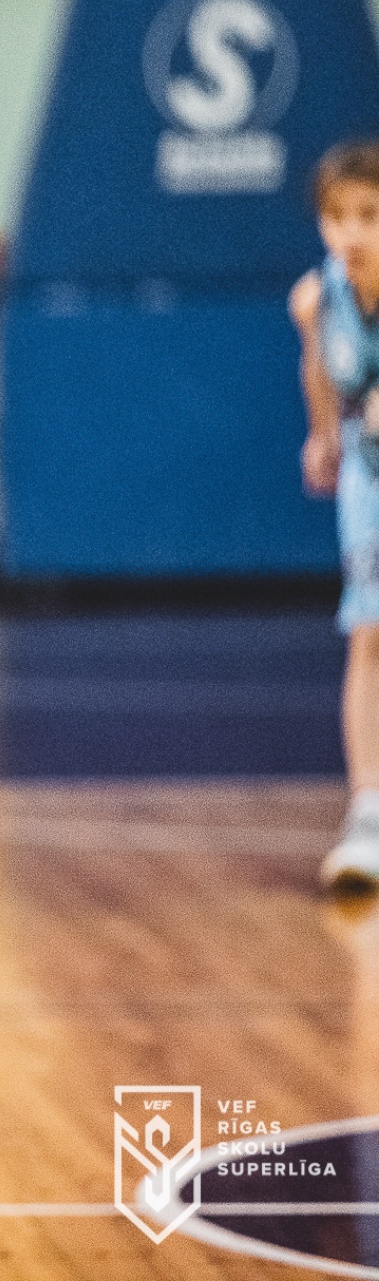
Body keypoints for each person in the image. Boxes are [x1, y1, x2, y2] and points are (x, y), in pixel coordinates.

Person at [292, 139, 379, 891]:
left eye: (369, 216)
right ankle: (368, 812)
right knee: (368, 632)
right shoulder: (318, 297)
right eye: (337, 216)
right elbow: (320, 368)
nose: (351, 233)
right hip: (368, 476)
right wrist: (322, 436)